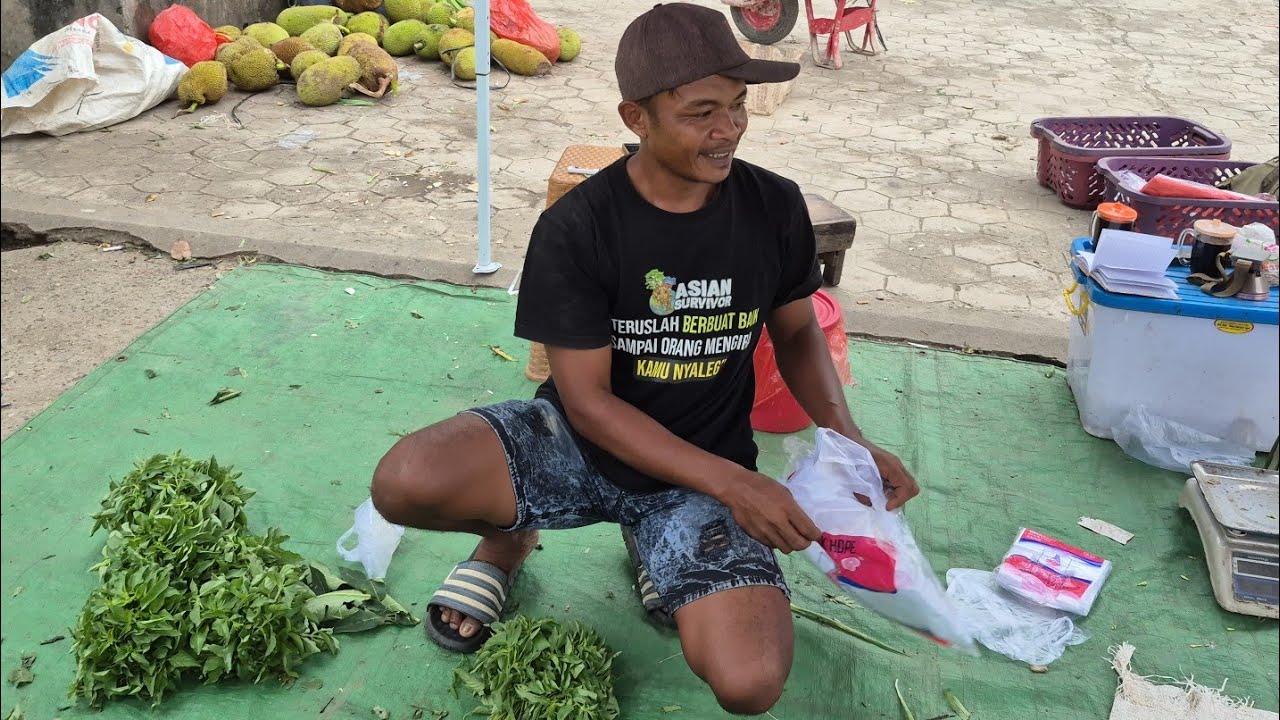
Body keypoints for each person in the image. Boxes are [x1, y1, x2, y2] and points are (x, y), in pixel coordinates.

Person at [370, 3, 920, 715]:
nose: (728, 130)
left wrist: (847, 440)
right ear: (637, 119)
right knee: (405, 481)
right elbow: (589, 405)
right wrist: (740, 486)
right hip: (574, 447)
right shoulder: (577, 228)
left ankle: (659, 541)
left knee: (749, 681)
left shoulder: (773, 207)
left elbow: (797, 332)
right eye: (700, 113)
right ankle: (509, 539)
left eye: (737, 105)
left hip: (698, 474)